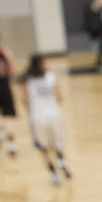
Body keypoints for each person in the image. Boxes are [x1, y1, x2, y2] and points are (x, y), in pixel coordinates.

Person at [19, 54, 72, 186]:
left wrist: (31, 110)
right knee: (58, 144)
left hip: (38, 117)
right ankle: (62, 162)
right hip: (54, 115)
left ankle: (54, 175)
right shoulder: (51, 77)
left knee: (44, 148)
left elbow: (24, 100)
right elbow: (60, 98)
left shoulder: (27, 80)